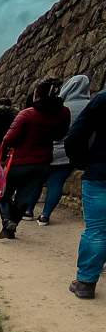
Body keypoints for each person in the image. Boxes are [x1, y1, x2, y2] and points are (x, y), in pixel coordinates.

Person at [0, 76, 70, 239]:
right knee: (24, 196)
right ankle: (11, 229)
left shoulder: (26, 114)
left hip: (18, 162)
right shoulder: (64, 113)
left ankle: (8, 221)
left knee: (3, 194)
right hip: (42, 162)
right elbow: (60, 135)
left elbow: (9, 139)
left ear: (36, 94)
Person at [26, 75, 91, 224]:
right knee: (57, 183)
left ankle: (28, 211)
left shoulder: (58, 106)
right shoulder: (90, 106)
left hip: (48, 150)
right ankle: (45, 215)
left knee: (37, 182)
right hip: (69, 153)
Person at [65, 88, 106, 298]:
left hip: (101, 173)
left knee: (97, 230)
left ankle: (86, 283)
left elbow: (75, 136)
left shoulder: (102, 99)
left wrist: (84, 163)